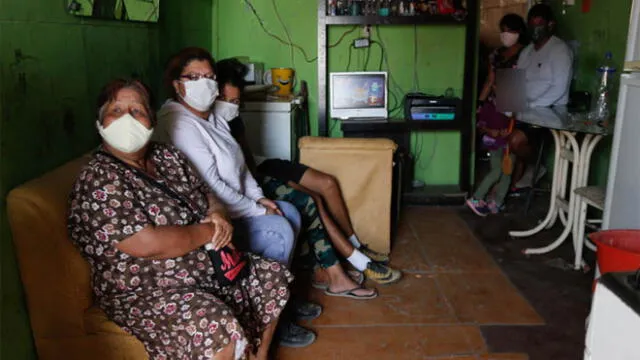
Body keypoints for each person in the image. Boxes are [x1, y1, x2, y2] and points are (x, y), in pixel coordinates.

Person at [68, 78, 291, 360]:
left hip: (205, 269)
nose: (128, 119)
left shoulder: (167, 156)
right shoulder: (99, 178)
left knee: (271, 275)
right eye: (116, 111)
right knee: (214, 326)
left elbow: (206, 191)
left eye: (137, 111)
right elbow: (146, 243)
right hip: (146, 290)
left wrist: (218, 212)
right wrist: (210, 231)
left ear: (151, 119)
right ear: (100, 122)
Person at [153, 47, 317, 348]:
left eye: (210, 77)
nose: (205, 83)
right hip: (213, 217)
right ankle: (269, 321)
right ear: (178, 84)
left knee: (289, 212)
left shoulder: (211, 117)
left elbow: (239, 164)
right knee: (278, 227)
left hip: (239, 205)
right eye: (195, 77)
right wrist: (257, 210)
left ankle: (281, 301)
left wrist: (260, 199)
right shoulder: (179, 124)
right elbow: (211, 185)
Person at [215, 58, 402, 285]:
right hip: (247, 178)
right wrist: (283, 184)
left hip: (256, 166)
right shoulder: (205, 123)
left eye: (235, 100)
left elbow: (248, 160)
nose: (231, 105)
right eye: (225, 99)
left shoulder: (232, 118)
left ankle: (356, 245)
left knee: (328, 183)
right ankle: (357, 260)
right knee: (312, 197)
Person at [467, 13, 528, 215]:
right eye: (502, 30)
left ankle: (497, 201)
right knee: (499, 163)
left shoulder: (526, 55)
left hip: (514, 112)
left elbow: (521, 88)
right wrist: (480, 104)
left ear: (519, 32)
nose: (505, 35)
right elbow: (489, 81)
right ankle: (480, 198)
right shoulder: (496, 55)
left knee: (508, 164)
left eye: (510, 30)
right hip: (496, 113)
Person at [509, 3, 573, 188]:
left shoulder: (560, 50)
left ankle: (537, 165)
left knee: (516, 140)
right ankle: (513, 181)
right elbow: (516, 80)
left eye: (539, 24)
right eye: (531, 25)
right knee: (500, 134)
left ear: (550, 25)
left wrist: (531, 106)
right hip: (525, 110)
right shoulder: (527, 51)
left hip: (548, 112)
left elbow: (559, 88)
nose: (535, 29)